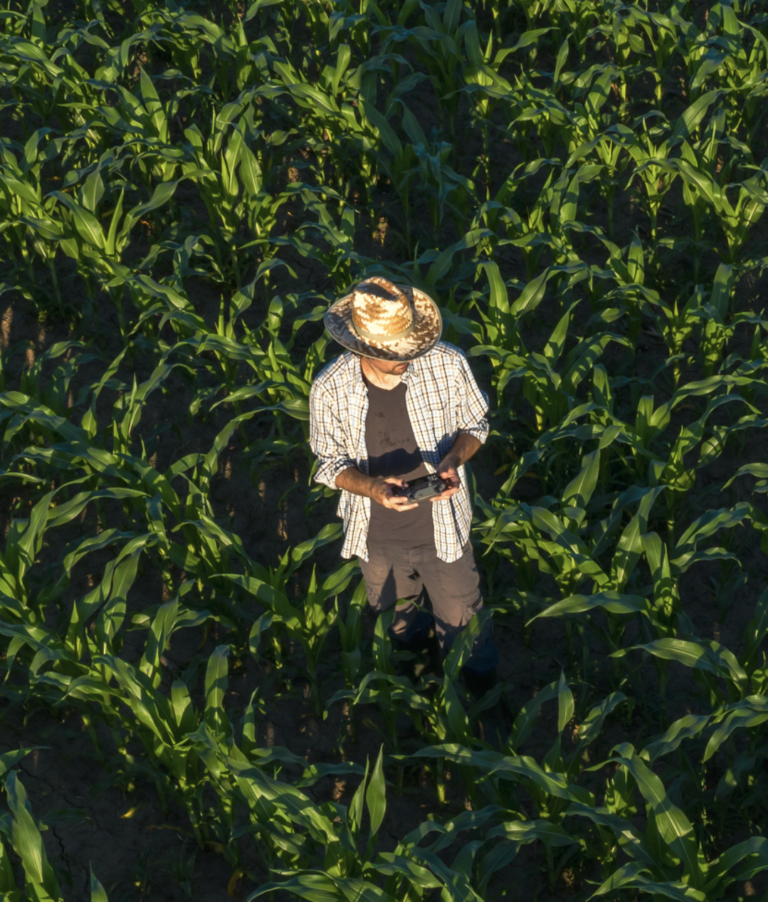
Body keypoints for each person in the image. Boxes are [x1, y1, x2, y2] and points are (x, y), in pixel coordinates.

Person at [308, 276, 498, 693]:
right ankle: (414, 681)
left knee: (465, 625)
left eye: (409, 346)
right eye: (397, 354)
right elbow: (329, 465)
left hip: (443, 529)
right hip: (377, 538)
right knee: (396, 619)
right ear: (364, 348)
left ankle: (480, 702)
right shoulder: (330, 388)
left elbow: (476, 425)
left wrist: (453, 459)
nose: (409, 357)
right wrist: (375, 489)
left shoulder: (447, 363)